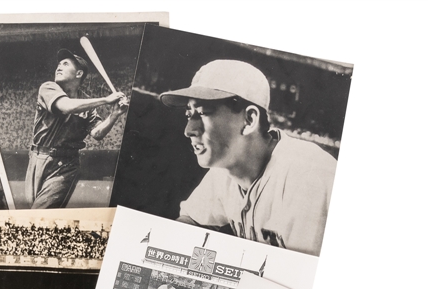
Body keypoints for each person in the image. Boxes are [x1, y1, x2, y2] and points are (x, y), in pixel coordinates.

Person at [160, 60, 338, 256]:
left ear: (249, 120)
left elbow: (303, 278)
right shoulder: (227, 166)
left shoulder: (309, 178)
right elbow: (191, 220)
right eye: (189, 114)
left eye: (203, 113)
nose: (189, 130)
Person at [25, 48, 128, 209]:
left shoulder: (87, 103)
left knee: (39, 212)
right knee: (34, 213)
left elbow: (97, 133)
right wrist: (106, 100)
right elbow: (66, 106)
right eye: (58, 64)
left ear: (78, 74)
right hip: (36, 158)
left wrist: (114, 115)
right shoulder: (48, 87)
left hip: (65, 165)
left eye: (65, 64)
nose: (58, 67)